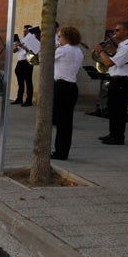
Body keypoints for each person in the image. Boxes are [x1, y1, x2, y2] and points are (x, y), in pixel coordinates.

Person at [93, 21, 128, 145]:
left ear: (126, 32)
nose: (114, 32)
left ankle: (118, 137)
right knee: (113, 109)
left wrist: (101, 51)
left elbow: (110, 63)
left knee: (119, 110)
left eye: (117, 30)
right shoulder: (123, 46)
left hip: (122, 81)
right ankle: (113, 133)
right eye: (114, 30)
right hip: (116, 80)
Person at [51, 26, 84, 160]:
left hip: (61, 86)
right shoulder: (78, 50)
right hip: (71, 87)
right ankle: (62, 150)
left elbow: (43, 59)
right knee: (66, 122)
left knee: (61, 122)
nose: (58, 39)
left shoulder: (63, 50)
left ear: (67, 37)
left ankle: (60, 152)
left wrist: (53, 48)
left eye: (60, 36)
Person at [11, 24, 39, 106]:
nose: (24, 33)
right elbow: (14, 51)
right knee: (20, 81)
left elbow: (33, 53)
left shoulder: (34, 41)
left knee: (28, 81)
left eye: (26, 31)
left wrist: (22, 46)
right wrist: (16, 46)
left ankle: (29, 100)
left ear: (30, 32)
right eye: (23, 31)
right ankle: (19, 98)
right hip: (20, 62)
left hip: (28, 60)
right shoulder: (21, 39)